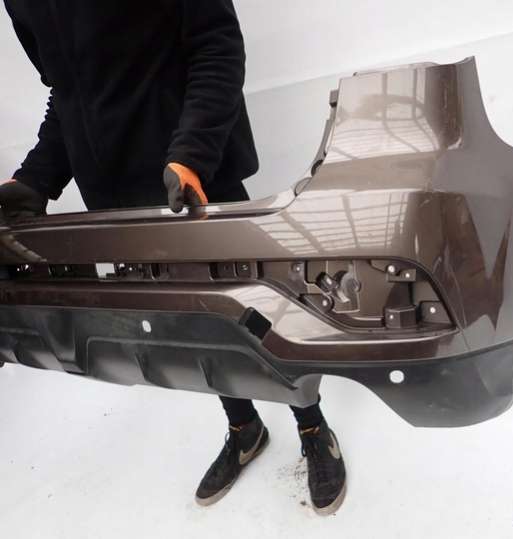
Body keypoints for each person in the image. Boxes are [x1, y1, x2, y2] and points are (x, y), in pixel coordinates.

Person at [0, 0, 346, 515]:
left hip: (193, 184)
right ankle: (244, 428)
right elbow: (69, 92)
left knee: (253, 321)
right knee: (189, 327)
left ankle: (312, 426)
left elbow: (216, 46)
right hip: (121, 207)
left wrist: (192, 155)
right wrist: (36, 178)